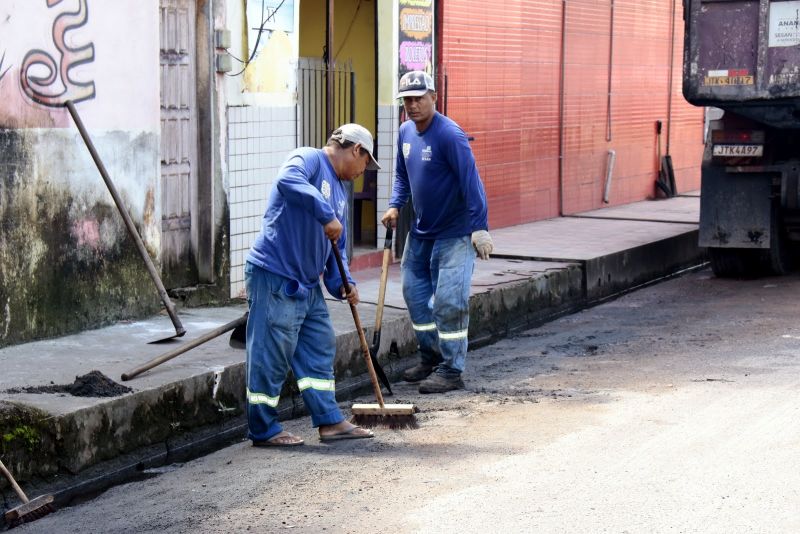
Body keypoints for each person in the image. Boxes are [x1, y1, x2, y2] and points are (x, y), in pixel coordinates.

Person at [245, 124, 381, 447]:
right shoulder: (308, 159)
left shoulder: (342, 197)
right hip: (276, 275)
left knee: (319, 345)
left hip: (307, 285)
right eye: (365, 164)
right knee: (271, 353)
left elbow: (337, 251)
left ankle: (329, 421)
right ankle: (263, 428)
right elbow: (287, 181)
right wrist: (324, 214)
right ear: (356, 150)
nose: (363, 172)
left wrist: (344, 283)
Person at [381, 70, 493, 394]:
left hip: (455, 234)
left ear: (434, 97)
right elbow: (402, 175)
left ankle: (452, 369)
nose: (413, 105)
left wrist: (479, 227)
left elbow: (471, 181)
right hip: (421, 231)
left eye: (418, 98)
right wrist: (394, 204)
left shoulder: (450, 135)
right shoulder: (404, 132)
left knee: (448, 301)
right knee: (414, 295)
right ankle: (430, 355)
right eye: (407, 100)